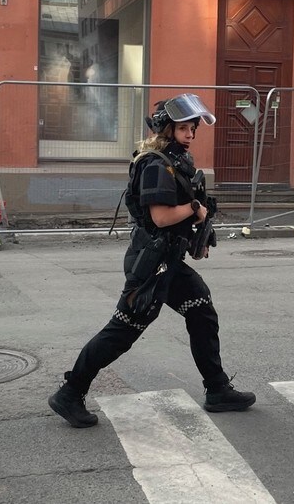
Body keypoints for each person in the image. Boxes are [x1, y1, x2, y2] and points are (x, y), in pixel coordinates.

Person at [48, 93, 255, 428]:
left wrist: (199, 233)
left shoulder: (175, 160)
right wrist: (196, 209)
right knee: (122, 331)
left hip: (168, 260)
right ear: (167, 128)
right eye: (184, 128)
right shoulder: (157, 165)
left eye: (193, 128)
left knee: (201, 311)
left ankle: (217, 389)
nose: (190, 134)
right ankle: (70, 393)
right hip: (151, 264)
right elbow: (161, 217)